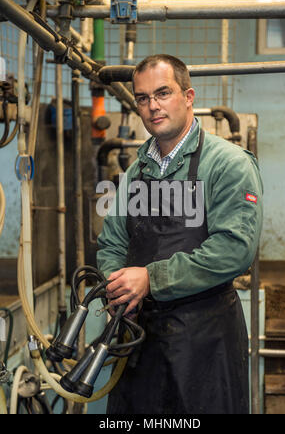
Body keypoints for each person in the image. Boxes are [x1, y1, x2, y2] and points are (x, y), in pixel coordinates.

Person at [97, 54, 263, 414]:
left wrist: (150, 279)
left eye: (163, 93)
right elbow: (112, 242)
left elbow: (234, 249)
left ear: (188, 96)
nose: (152, 106)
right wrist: (117, 289)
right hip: (139, 339)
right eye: (142, 98)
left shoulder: (227, 163)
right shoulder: (136, 173)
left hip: (204, 342)